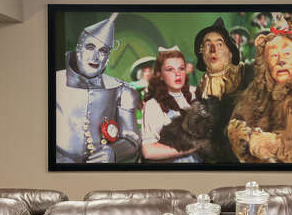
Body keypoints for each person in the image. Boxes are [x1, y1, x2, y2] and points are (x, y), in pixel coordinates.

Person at [228, 26, 292, 163]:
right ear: (266, 64)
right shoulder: (255, 94)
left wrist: (269, 144)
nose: (281, 61)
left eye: (287, 54)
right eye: (274, 55)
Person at [54, 13, 141, 164]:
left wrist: (114, 153)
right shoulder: (54, 83)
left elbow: (132, 138)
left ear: (107, 58)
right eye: (90, 47)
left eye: (103, 51)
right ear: (78, 48)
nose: (95, 57)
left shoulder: (122, 90)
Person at [192, 17, 252, 163]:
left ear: (230, 52)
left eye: (220, 44)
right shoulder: (201, 89)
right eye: (208, 45)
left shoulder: (247, 74)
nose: (213, 50)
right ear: (202, 54)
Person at [140, 47, 200, 163]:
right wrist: (192, 147)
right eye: (170, 69)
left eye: (181, 69)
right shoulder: (153, 105)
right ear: (160, 75)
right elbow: (148, 151)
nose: (177, 74)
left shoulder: (195, 96)